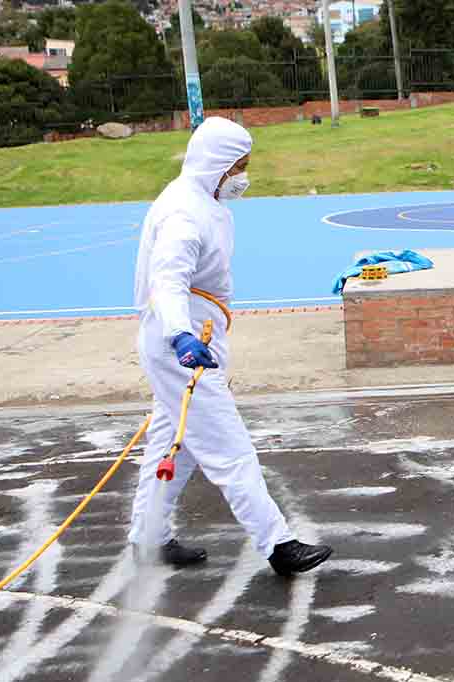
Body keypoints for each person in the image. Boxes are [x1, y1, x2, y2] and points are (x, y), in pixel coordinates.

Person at [127, 117, 332, 576]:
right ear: (217, 165)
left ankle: (148, 538)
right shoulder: (184, 213)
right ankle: (278, 544)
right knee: (228, 446)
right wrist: (179, 333)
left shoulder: (199, 201)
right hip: (182, 346)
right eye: (238, 166)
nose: (242, 176)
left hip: (190, 340)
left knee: (171, 445)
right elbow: (167, 280)